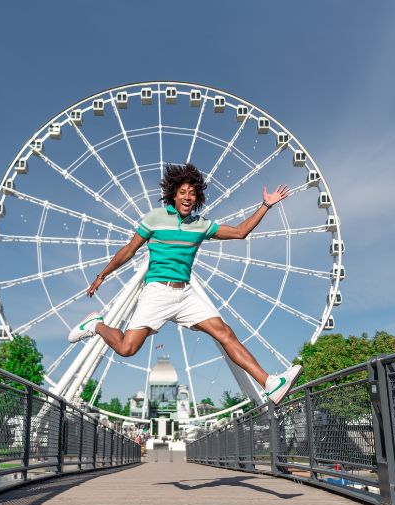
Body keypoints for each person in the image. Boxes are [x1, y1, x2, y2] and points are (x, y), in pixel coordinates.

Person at [68, 163, 302, 404]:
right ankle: (96, 325)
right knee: (127, 348)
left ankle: (269, 384)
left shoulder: (200, 225)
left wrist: (265, 205)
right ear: (173, 195)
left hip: (186, 294)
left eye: (192, 193)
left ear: (197, 197)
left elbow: (240, 232)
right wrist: (101, 276)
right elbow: (128, 251)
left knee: (225, 333)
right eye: (182, 192)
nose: (187, 197)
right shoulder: (155, 218)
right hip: (158, 291)